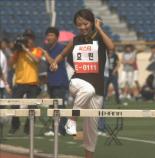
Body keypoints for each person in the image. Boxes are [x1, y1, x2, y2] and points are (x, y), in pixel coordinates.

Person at [50, 9, 114, 158]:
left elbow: (111, 47)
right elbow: (63, 54)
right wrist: (55, 62)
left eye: (85, 24)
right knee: (87, 89)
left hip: (97, 88)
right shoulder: (75, 40)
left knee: (91, 129)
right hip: (77, 82)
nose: (82, 27)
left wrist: (99, 29)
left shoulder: (100, 38)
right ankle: (71, 121)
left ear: (91, 22)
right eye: (79, 25)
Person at [8, 30, 44, 134]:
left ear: (33, 40)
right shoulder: (19, 52)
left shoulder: (37, 50)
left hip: (32, 83)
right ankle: (15, 125)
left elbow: (37, 60)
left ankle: (29, 127)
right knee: (14, 105)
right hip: (20, 82)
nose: (28, 40)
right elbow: (10, 64)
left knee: (32, 107)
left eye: (30, 38)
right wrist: (16, 51)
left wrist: (26, 50)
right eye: (26, 38)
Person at [43, 27, 69, 136]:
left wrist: (45, 55)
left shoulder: (60, 48)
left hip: (60, 81)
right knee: (53, 106)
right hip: (52, 81)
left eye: (51, 35)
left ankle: (60, 129)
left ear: (57, 37)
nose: (48, 37)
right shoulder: (49, 48)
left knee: (59, 106)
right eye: (47, 35)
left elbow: (54, 64)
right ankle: (56, 128)